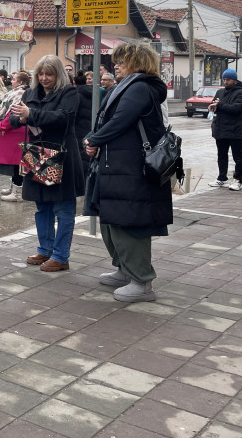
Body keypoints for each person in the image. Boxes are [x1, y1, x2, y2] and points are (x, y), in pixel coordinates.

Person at [83, 42, 172, 302]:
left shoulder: (140, 87)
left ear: (137, 63)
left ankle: (142, 282)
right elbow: (106, 121)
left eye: (121, 61)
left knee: (130, 223)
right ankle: (125, 269)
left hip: (131, 167)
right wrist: (92, 138)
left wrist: (94, 140)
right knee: (113, 220)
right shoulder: (125, 87)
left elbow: (119, 121)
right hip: (117, 165)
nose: (116, 66)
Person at [9, 55, 84, 272]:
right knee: (42, 206)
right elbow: (13, 118)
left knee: (63, 208)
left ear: (58, 75)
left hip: (61, 155)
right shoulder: (30, 92)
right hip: (36, 154)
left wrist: (31, 114)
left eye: (49, 74)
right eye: (40, 74)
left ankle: (61, 256)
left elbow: (63, 118)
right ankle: (45, 249)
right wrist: (20, 118)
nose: (44, 78)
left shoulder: (69, 92)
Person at [208, 68, 242, 192]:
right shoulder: (220, 92)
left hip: (234, 130)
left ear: (234, 80)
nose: (226, 82)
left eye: (228, 79)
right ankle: (222, 177)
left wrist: (220, 105)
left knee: (237, 156)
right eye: (224, 79)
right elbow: (215, 105)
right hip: (220, 129)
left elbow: (236, 108)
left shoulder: (241, 93)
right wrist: (213, 106)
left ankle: (238, 179)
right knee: (221, 155)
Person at [0, 70, 30, 200]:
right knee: (15, 164)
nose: (11, 81)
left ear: (20, 82)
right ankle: (14, 187)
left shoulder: (21, 93)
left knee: (18, 163)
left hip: (16, 132)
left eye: (13, 79)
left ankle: (17, 192)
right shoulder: (16, 92)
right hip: (13, 132)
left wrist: (1, 125)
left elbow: (14, 113)